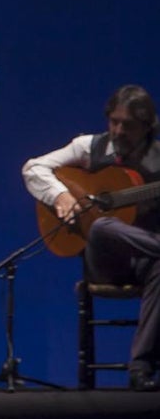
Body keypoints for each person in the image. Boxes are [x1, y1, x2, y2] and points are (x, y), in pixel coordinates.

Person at [22, 84, 160, 392]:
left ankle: (140, 368)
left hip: (145, 258)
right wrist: (61, 196)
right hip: (104, 261)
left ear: (147, 126)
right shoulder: (89, 147)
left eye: (128, 125)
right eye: (114, 121)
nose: (118, 131)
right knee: (100, 227)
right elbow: (33, 168)